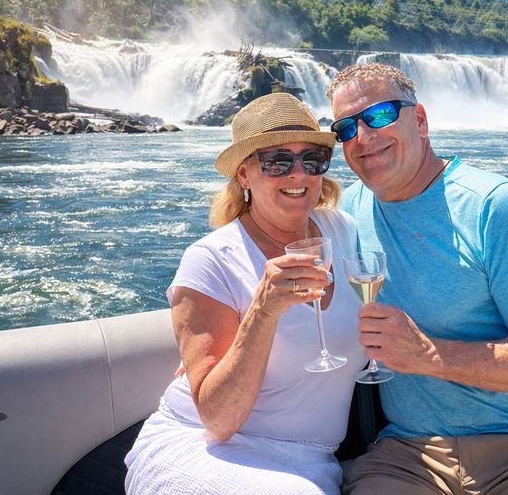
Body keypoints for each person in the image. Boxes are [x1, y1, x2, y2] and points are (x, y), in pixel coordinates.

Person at [326, 63, 508, 495]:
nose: (363, 137)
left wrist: (428, 355)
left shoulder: (496, 210)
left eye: (380, 115)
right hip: (408, 454)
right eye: (345, 127)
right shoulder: (348, 212)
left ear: (419, 120)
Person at [124, 92, 364, 495]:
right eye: (277, 161)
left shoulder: (344, 231)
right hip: (202, 446)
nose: (297, 174)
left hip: (311, 458)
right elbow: (217, 421)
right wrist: (261, 314)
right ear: (243, 174)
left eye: (312, 159)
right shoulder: (210, 260)